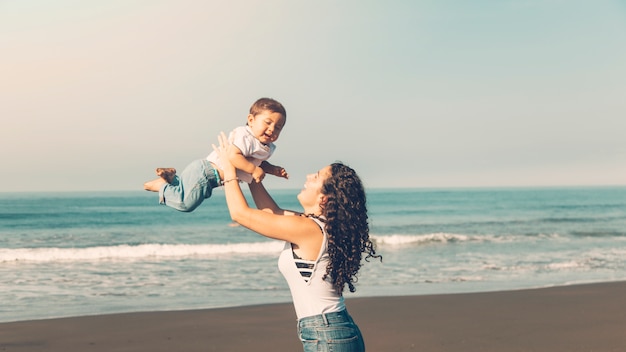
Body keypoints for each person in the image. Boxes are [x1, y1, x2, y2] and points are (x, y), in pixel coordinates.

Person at [213, 132, 381, 351]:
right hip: (331, 331)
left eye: (317, 177)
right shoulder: (314, 225)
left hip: (327, 334)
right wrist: (250, 168)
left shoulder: (309, 229)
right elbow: (271, 212)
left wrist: (229, 168)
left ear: (324, 198)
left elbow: (240, 214)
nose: (309, 175)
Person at [143, 98, 289, 212]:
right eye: (268, 123)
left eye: (278, 127)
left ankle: (171, 178)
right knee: (185, 204)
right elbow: (233, 156)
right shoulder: (246, 136)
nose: (272, 129)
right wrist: (253, 170)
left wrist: (273, 169)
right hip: (206, 173)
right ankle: (162, 186)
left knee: (186, 192)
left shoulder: (264, 146)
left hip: (210, 178)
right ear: (251, 120)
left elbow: (258, 162)